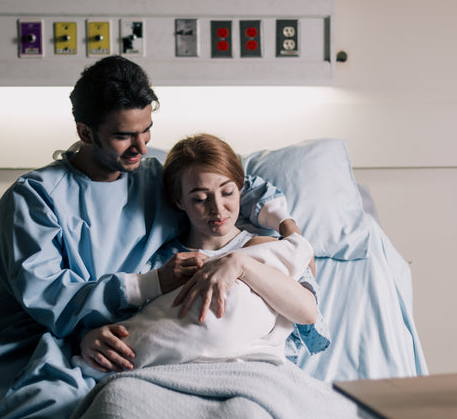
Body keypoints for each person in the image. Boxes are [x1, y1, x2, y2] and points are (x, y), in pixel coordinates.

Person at [0, 56, 303, 419]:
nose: (141, 146)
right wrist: (143, 289)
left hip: (118, 334)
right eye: (125, 136)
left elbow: (230, 181)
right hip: (27, 336)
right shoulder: (34, 199)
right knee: (47, 402)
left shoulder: (152, 171)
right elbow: (47, 299)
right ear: (86, 133)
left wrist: (290, 231)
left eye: (148, 130)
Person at [74, 134, 327, 377]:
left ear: (240, 189)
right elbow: (133, 326)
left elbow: (307, 312)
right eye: (200, 198)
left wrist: (240, 263)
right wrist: (90, 340)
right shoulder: (162, 263)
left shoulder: (263, 246)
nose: (217, 208)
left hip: (252, 372)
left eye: (227, 192)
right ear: (180, 202)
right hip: (168, 374)